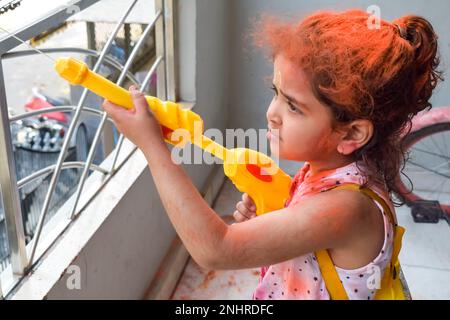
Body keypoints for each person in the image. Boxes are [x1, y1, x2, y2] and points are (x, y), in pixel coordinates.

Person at [102, 9, 443, 300]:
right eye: (276, 93)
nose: (272, 113)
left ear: (352, 133)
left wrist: (152, 147)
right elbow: (312, 247)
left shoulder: (349, 208)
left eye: (293, 106)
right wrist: (272, 218)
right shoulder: (325, 170)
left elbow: (215, 250)